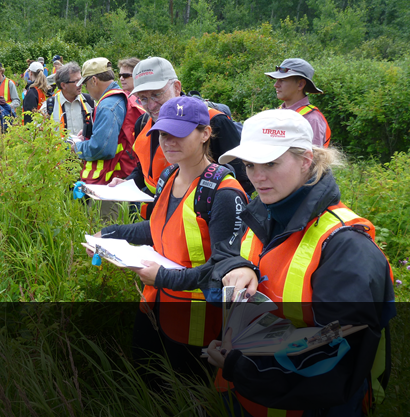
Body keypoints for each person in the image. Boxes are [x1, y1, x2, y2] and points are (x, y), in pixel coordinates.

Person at [146, 109, 395, 416]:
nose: (257, 177)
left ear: (306, 160)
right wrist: (233, 267)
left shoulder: (348, 248)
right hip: (243, 397)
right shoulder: (261, 212)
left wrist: (238, 365)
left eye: (271, 163)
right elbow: (221, 265)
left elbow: (337, 361)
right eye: (249, 165)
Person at [88, 96, 248, 381]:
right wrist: (109, 235)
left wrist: (163, 278)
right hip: (155, 303)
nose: (169, 141)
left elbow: (225, 269)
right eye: (163, 133)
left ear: (205, 133)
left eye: (179, 133)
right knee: (146, 377)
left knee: (185, 391)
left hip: (196, 320)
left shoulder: (223, 192)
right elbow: (161, 227)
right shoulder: (168, 176)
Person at [109, 57, 253, 219]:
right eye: (143, 98)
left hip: (201, 221)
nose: (151, 105)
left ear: (177, 88)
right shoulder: (142, 124)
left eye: (156, 94)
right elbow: (144, 168)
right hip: (155, 216)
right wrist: (128, 183)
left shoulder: (212, 121)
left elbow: (243, 181)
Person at [70, 57, 144, 187]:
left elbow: (101, 148)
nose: (85, 88)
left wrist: (76, 147)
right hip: (124, 176)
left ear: (94, 80)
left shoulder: (107, 106)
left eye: (85, 83)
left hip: (111, 183)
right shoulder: (121, 96)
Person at [265, 58, 330, 147]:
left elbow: (314, 158)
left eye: (282, 80)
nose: (276, 85)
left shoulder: (312, 119)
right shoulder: (278, 112)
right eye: (277, 80)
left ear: (300, 85)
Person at [45, 62, 94, 138]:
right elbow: (39, 135)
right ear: (63, 85)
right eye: (76, 81)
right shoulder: (49, 105)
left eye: (81, 80)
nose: (81, 84)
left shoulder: (90, 101)